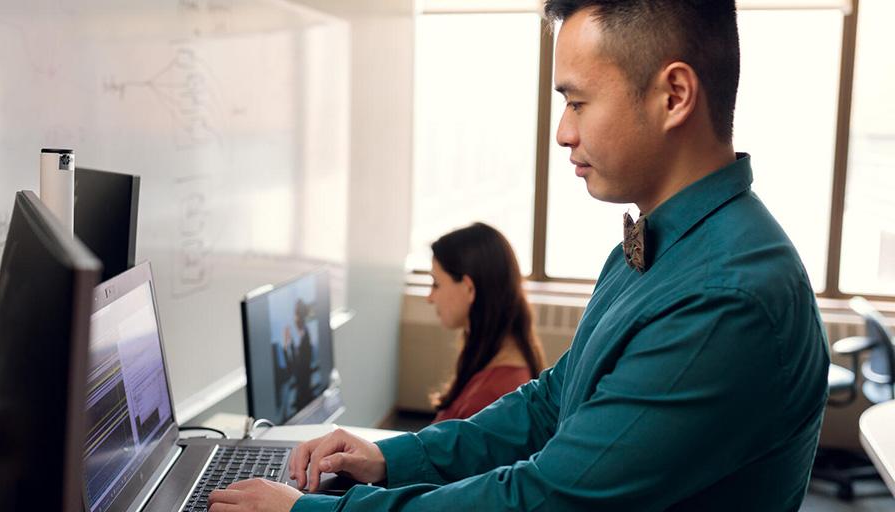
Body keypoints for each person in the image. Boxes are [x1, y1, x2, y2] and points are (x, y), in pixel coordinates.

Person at [208, 1, 830, 510]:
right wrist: (390, 458)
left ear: (673, 95)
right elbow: (553, 402)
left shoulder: (726, 300)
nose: (563, 130)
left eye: (578, 101)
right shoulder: (659, 244)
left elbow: (545, 500)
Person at [426, 223, 546, 422]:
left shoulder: (489, 396)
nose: (430, 297)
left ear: (468, 288)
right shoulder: (494, 360)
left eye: (436, 283)